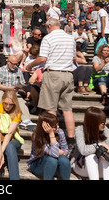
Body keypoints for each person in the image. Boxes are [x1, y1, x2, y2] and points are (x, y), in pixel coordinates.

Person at [25, 18, 77, 152]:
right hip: (68, 74)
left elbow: (43, 58)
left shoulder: (48, 38)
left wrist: (29, 65)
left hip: (53, 73)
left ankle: (54, 136)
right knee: (67, 109)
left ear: (49, 26)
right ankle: (71, 139)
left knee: (51, 108)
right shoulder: (70, 38)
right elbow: (73, 57)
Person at [0, 90, 24, 180]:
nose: (8, 106)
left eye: (11, 104)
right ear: (2, 100)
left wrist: (0, 154)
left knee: (10, 146)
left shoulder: (17, 110)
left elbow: (9, 133)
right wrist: (0, 154)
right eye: (5, 103)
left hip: (13, 138)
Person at [72, 107, 109, 180]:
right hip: (82, 167)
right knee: (91, 156)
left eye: (105, 121)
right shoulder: (80, 130)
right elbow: (83, 150)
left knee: (107, 158)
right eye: (102, 122)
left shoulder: (105, 130)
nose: (105, 124)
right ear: (94, 122)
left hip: (100, 168)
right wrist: (100, 145)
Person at [0, 54, 34, 130]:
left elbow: (23, 84)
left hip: (15, 91)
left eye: (17, 64)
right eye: (13, 64)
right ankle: (4, 117)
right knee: (0, 94)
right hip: (4, 90)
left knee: (21, 100)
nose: (15, 66)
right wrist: (9, 88)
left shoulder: (18, 71)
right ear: (8, 62)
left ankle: (26, 120)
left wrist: (22, 86)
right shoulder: (1, 70)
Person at [27, 111, 70, 180]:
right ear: (45, 127)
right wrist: (51, 135)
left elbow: (66, 150)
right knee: (52, 160)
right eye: (55, 126)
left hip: (54, 166)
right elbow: (54, 154)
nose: (58, 127)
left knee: (64, 160)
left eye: (58, 124)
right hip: (38, 165)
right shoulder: (37, 136)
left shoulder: (60, 132)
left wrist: (63, 152)